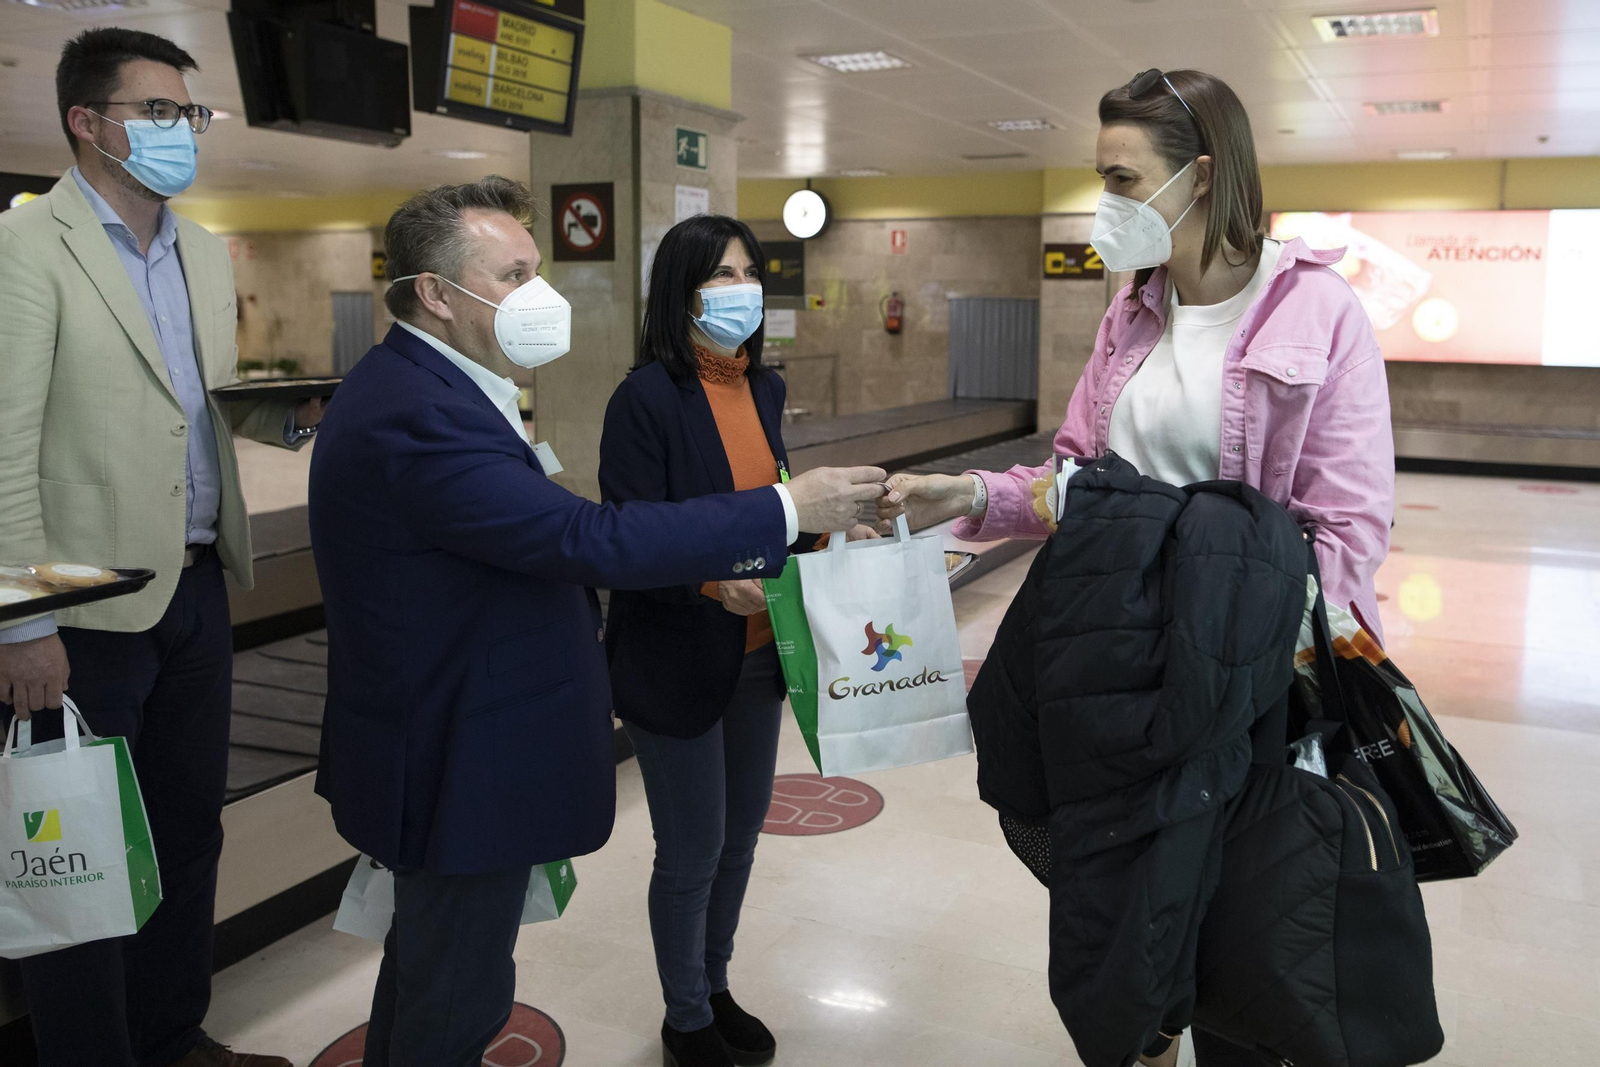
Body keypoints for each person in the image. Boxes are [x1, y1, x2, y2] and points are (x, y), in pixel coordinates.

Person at [307, 177, 886, 1067]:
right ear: (435, 292)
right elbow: (583, 535)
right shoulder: (416, 413)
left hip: (467, 732)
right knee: (453, 996)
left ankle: (710, 987)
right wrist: (781, 508)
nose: (539, 295)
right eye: (513, 275)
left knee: (436, 978)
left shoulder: (445, 390)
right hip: (453, 748)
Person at [884, 68, 1394, 1066]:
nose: (1105, 203)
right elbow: (1077, 481)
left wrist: (1278, 681)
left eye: (1122, 178)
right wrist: (968, 498)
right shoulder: (1130, 313)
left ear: (1199, 177)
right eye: (1101, 175)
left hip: (1247, 689)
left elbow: (1345, 534)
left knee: (1242, 959)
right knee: (1124, 931)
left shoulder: (1316, 312)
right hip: (1119, 675)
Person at [0, 28, 322, 1067]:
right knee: (82, 859)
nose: (181, 131)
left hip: (194, 588)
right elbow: (0, 450)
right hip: (81, 616)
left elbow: (210, 413)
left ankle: (172, 1035)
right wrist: (25, 620)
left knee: (189, 834)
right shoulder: (25, 250)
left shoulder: (195, 244)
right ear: (87, 123)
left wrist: (332, 430)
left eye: (189, 113)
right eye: (157, 111)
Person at [599, 216, 878, 1067]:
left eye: (749, 271)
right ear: (681, 291)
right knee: (690, 848)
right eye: (721, 273)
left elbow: (775, 503)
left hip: (762, 649)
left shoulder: (764, 389)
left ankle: (714, 983)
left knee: (743, 831)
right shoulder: (644, 398)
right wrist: (709, 580)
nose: (741, 287)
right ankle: (684, 1017)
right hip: (675, 652)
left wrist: (829, 537)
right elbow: (631, 531)